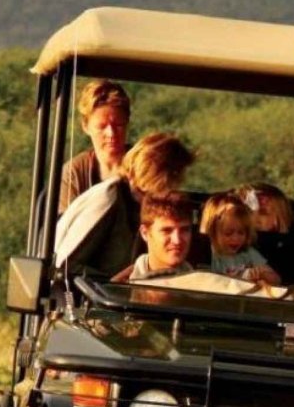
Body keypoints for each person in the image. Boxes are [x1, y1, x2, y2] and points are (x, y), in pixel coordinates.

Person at [55, 132, 195, 279]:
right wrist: (117, 285)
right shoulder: (107, 198)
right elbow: (64, 267)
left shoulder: (141, 204)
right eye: (177, 175)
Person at [59, 80, 131, 212]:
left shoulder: (146, 165)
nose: (111, 133)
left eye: (118, 125)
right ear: (85, 126)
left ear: (127, 122)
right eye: (101, 126)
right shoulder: (73, 173)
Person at [201, 192, 281, 285]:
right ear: (213, 233)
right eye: (228, 233)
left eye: (241, 233)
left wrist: (262, 274)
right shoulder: (210, 254)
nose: (235, 238)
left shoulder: (248, 253)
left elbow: (277, 280)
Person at [115, 192, 196, 282]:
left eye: (184, 230)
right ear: (145, 233)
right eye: (166, 230)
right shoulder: (119, 289)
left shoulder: (203, 287)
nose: (177, 240)